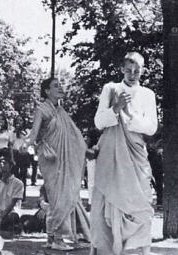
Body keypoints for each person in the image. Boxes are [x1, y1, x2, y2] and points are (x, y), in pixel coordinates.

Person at [90, 52, 158, 255]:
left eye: (137, 70)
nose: (132, 74)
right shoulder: (110, 89)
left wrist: (129, 115)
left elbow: (152, 127)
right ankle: (108, 249)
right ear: (121, 69)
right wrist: (116, 108)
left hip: (136, 154)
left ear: (142, 70)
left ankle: (135, 250)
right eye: (128, 70)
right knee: (107, 205)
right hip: (111, 155)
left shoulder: (148, 94)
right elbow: (98, 122)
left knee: (142, 205)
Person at [26, 77, 90, 251]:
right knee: (56, 198)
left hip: (64, 160)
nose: (60, 88)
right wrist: (23, 145)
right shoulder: (42, 109)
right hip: (50, 159)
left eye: (60, 85)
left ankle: (55, 238)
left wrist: (84, 150)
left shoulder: (61, 111)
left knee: (67, 195)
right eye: (56, 86)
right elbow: (33, 135)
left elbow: (74, 137)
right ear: (46, 91)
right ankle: (56, 238)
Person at [10, 115, 30, 200]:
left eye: (21, 120)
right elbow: (11, 146)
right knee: (15, 176)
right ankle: (16, 195)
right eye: (17, 121)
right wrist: (12, 158)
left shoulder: (27, 131)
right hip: (15, 154)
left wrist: (23, 134)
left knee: (23, 176)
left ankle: (23, 196)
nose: (19, 122)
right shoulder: (13, 133)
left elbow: (29, 142)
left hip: (24, 154)